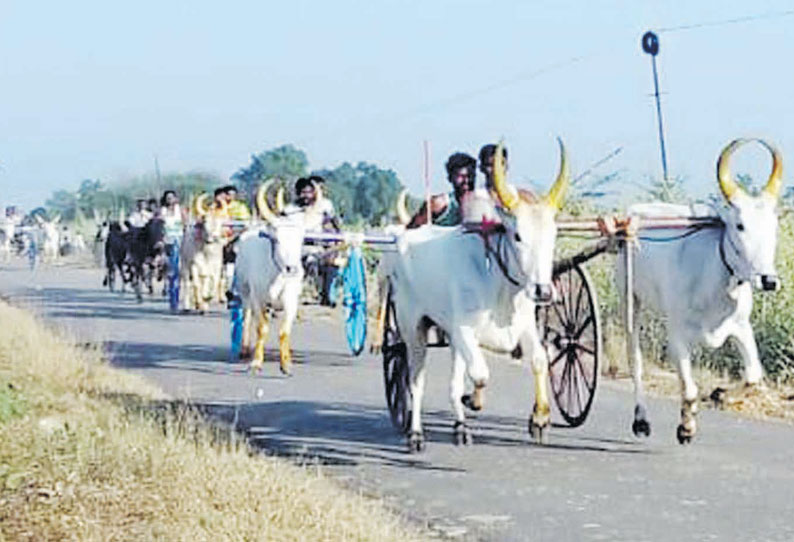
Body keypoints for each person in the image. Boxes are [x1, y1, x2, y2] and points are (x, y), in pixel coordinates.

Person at [406, 152, 477, 228]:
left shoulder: (483, 202)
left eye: (470, 176)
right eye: (461, 176)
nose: (466, 181)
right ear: (450, 178)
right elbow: (412, 230)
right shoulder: (440, 204)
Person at [160, 190, 185, 311]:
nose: (170, 200)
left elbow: (187, 224)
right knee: (172, 272)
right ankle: (173, 301)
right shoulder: (162, 211)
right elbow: (159, 226)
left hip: (181, 241)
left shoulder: (180, 210)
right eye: (168, 198)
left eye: (172, 197)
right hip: (167, 242)